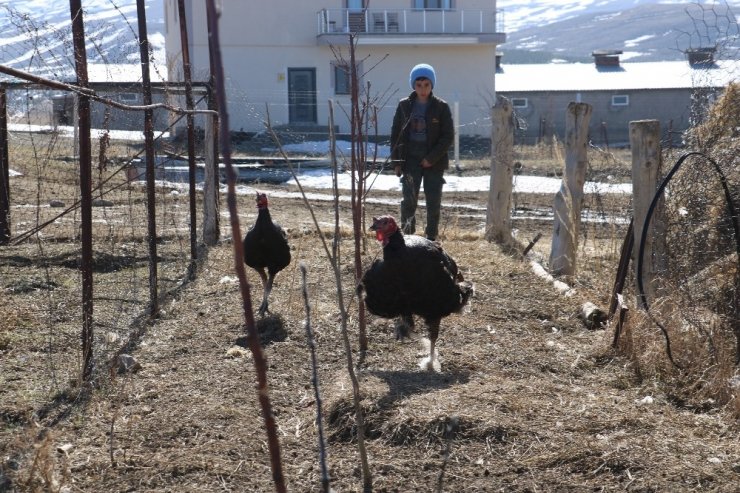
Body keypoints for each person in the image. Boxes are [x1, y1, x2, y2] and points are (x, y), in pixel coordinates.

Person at [390, 63, 454, 241]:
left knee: (433, 201)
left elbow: (447, 136)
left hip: (434, 159)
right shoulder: (404, 105)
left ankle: (431, 238)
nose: (423, 89)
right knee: (409, 200)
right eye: (419, 85)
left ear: (432, 84)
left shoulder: (441, 107)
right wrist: (396, 163)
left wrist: (431, 158)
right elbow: (396, 135)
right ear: (413, 85)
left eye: (426, 85)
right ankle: (408, 239)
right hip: (410, 158)